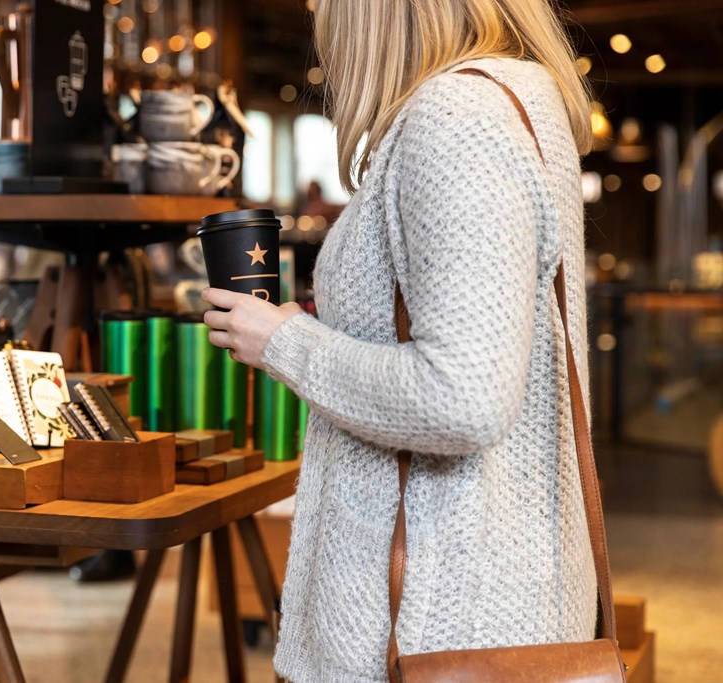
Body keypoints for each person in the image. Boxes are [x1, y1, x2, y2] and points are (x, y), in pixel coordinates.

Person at [202, 0, 596, 680]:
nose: (320, 11)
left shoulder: (456, 119)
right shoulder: (519, 99)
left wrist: (286, 341)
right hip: (486, 592)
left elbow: (463, 397)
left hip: (430, 620)